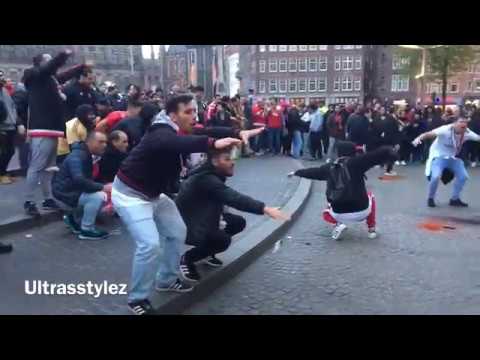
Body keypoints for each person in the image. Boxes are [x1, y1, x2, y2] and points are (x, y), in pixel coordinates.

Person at [111, 95, 264, 315]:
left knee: (177, 232)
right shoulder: (160, 132)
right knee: (149, 245)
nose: (193, 116)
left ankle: (166, 279)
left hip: (155, 195)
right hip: (130, 195)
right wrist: (212, 144)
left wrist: (237, 133)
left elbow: (205, 131)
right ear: (173, 115)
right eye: (188, 112)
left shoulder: (178, 129)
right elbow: (174, 143)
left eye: (194, 111)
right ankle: (136, 298)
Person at [176, 147, 290, 282]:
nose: (233, 162)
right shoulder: (207, 179)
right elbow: (234, 198)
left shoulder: (211, 174)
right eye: (227, 159)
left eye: (231, 158)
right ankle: (188, 258)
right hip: (189, 223)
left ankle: (206, 251)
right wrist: (265, 209)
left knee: (238, 222)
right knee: (223, 241)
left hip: (202, 216)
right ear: (214, 162)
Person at [23, 49, 90, 216]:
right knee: (37, 166)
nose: (50, 62)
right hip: (41, 128)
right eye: (47, 60)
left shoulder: (50, 79)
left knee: (49, 168)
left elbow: (64, 74)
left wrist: (82, 66)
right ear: (39, 63)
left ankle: (47, 199)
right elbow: (49, 68)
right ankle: (29, 201)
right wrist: (64, 54)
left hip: (53, 128)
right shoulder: (34, 74)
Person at [289, 141, 399, 241]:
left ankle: (337, 225)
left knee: (328, 207)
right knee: (371, 196)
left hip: (338, 212)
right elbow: (374, 156)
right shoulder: (357, 162)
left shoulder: (329, 167)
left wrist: (296, 172)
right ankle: (371, 230)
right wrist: (389, 150)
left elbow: (313, 172)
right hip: (361, 210)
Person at [52, 131, 110, 240]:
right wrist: (102, 187)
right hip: (64, 194)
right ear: (90, 142)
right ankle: (87, 230)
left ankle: (72, 219)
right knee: (98, 196)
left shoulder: (83, 153)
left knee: (96, 193)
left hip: (66, 191)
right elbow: (79, 180)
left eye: (106, 142)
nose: (105, 145)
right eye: (101, 142)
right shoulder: (78, 156)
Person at [412, 116, 480, 208]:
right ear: (454, 123)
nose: (463, 124)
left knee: (463, 177)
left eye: (465, 122)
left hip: (453, 158)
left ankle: (454, 199)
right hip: (439, 156)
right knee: (435, 177)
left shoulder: (467, 132)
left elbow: (478, 138)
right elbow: (430, 134)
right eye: (461, 122)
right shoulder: (445, 129)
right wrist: (418, 139)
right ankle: (431, 198)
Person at [0, 70, 18, 185]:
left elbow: (12, 106)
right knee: (4, 151)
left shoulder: (4, 90)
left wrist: (16, 120)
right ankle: (1, 174)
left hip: (10, 125)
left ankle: (3, 172)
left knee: (10, 151)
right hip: (2, 126)